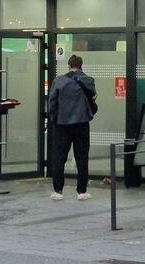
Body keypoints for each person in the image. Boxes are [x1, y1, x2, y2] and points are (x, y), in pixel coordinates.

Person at [48, 54, 96, 201]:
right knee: (82, 157)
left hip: (62, 124)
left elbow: (52, 103)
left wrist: (54, 119)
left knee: (59, 157)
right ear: (81, 66)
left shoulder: (58, 81)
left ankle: (58, 191)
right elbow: (93, 99)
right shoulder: (88, 81)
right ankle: (82, 191)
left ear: (68, 66)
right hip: (82, 124)